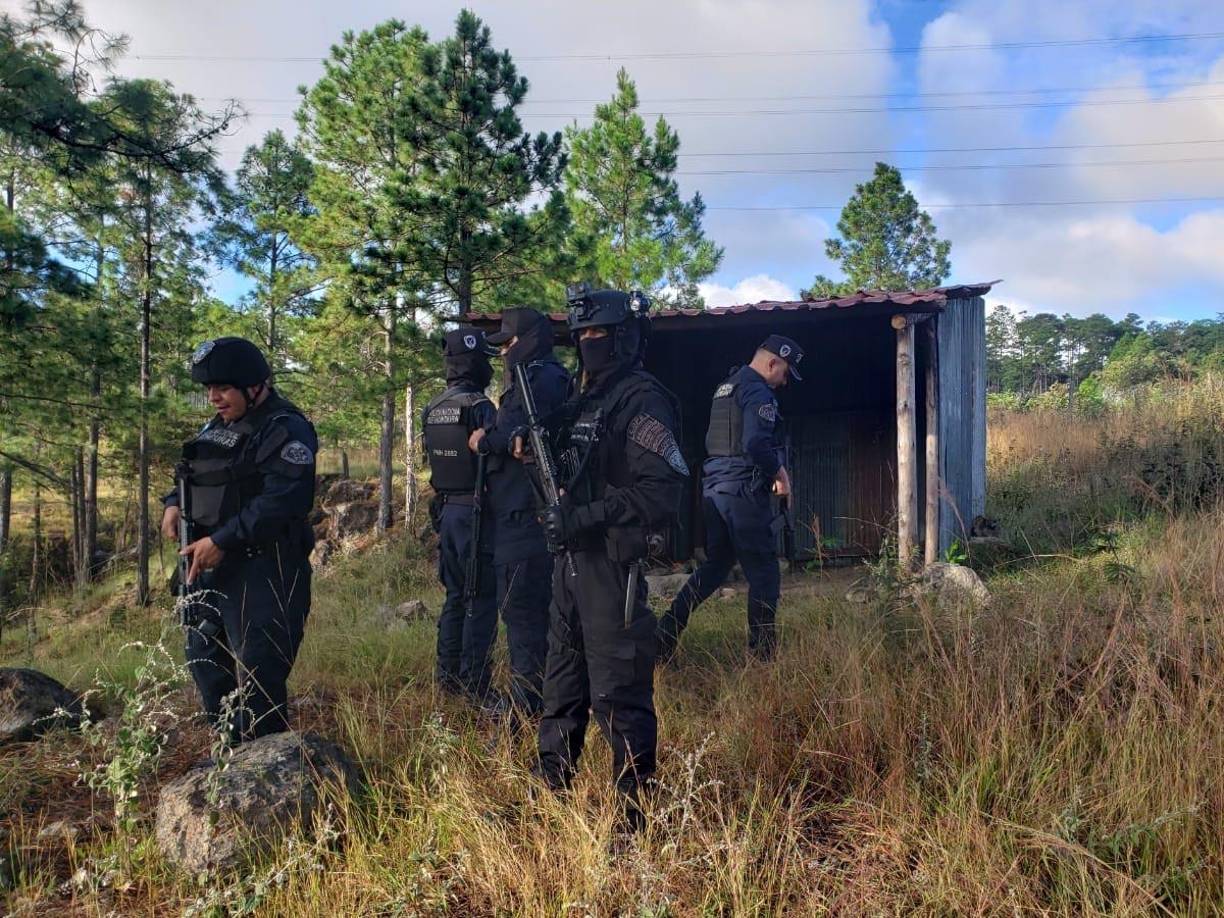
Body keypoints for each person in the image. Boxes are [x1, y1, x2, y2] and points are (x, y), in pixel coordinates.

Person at [534, 285, 688, 829]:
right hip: (567, 568)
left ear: (625, 337)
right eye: (581, 336)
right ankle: (549, 797)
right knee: (561, 686)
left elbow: (661, 493)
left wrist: (583, 517)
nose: (589, 343)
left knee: (618, 694)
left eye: (599, 334)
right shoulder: (583, 400)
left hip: (611, 567)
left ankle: (632, 816)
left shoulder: (643, 400)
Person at [160, 337, 317, 742]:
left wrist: (223, 540)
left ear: (254, 386)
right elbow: (194, 470)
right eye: (209, 390)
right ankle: (230, 751)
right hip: (213, 566)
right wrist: (174, 503)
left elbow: (283, 500)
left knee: (260, 672)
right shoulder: (219, 424)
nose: (213, 398)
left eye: (223, 389)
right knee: (203, 657)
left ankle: (266, 765)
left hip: (267, 568)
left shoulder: (286, 428)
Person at [655, 334, 805, 662]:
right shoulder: (756, 390)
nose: (783, 383)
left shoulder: (727, 387)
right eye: (784, 374)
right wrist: (780, 474)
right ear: (772, 363)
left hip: (714, 489)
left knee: (716, 566)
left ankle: (664, 633)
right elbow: (754, 443)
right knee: (764, 571)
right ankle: (763, 657)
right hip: (743, 492)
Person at [468, 307, 570, 717]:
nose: (505, 353)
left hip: (526, 520)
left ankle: (529, 710)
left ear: (527, 341)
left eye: (509, 344)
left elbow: (508, 435)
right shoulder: (545, 378)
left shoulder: (538, 379)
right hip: (526, 516)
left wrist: (482, 439)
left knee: (524, 618)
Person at [422, 327, 500, 705]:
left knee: (455, 595)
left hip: (447, 512)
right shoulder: (479, 407)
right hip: (476, 513)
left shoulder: (433, 408)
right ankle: (476, 686)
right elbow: (494, 463)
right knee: (481, 597)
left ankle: (446, 677)